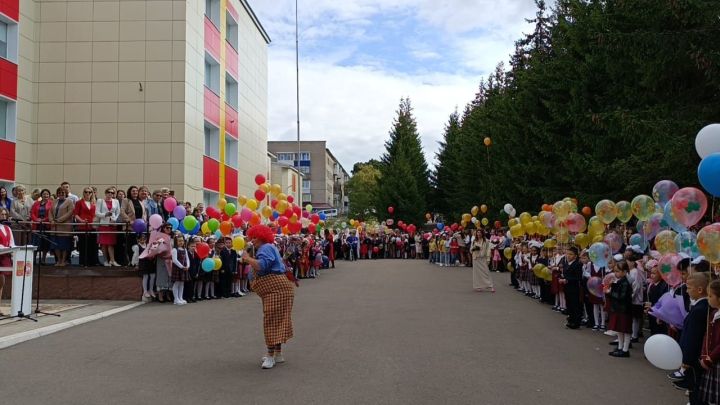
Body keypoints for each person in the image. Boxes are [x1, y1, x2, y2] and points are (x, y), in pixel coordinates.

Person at [242, 224, 295, 370]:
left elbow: (262, 266)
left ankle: (270, 356)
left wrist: (247, 258)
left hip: (276, 289)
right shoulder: (268, 247)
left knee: (271, 321)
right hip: (280, 289)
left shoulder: (265, 248)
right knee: (278, 320)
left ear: (260, 237)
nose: (251, 240)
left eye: (254, 237)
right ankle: (277, 354)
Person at [673, 272, 710, 401]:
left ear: (699, 289)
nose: (687, 291)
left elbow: (693, 337)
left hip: (693, 358)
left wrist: (686, 359)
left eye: (689, 287)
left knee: (695, 390)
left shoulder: (700, 309)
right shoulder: (703, 306)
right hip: (696, 356)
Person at [699, 279, 720, 405]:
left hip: (716, 360)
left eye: (710, 295)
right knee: (711, 399)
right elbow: (707, 336)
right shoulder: (713, 313)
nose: (708, 298)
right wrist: (704, 354)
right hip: (710, 359)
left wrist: (709, 358)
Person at [607, 260, 633, 357]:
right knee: (619, 329)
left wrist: (610, 292)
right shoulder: (618, 281)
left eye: (618, 271)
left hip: (624, 309)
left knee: (625, 330)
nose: (616, 273)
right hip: (618, 309)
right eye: (615, 271)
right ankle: (620, 347)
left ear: (625, 271)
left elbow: (621, 297)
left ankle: (625, 349)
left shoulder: (625, 283)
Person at [49, 187, 74, 267]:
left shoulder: (70, 202)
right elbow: (50, 211)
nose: (61, 194)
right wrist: (51, 220)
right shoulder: (54, 201)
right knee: (56, 245)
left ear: (66, 193)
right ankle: (58, 260)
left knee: (64, 245)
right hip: (55, 226)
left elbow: (70, 212)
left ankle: (63, 261)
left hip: (65, 226)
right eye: (59, 192)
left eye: (63, 192)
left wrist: (59, 220)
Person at [73, 187, 99, 267]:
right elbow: (76, 214)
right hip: (83, 226)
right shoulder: (79, 202)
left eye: (90, 192)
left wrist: (95, 223)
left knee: (93, 245)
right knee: (83, 245)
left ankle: (93, 262)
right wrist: (81, 221)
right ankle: (83, 262)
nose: (88, 193)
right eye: (86, 192)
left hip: (92, 226)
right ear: (83, 193)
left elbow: (96, 214)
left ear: (92, 193)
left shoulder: (94, 203)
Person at [95, 188, 121, 266]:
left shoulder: (116, 201)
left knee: (111, 243)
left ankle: (112, 260)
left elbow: (118, 212)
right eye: (109, 192)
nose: (110, 194)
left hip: (112, 224)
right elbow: (97, 213)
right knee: (103, 244)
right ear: (105, 193)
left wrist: (114, 219)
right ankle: (105, 260)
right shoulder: (100, 201)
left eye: (112, 193)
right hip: (103, 224)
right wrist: (105, 214)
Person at [560, 246, 583, 329]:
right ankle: (570, 320)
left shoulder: (578, 264)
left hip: (574, 288)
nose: (568, 256)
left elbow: (578, 278)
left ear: (575, 256)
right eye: (567, 254)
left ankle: (576, 322)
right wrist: (562, 278)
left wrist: (567, 280)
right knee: (569, 304)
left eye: (571, 254)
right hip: (567, 288)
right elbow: (565, 275)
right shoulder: (566, 264)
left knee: (575, 305)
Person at [30, 189, 52, 265]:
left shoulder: (51, 204)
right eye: (44, 194)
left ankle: (43, 260)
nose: (45, 195)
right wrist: (37, 219)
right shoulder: (36, 203)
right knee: (35, 243)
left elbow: (51, 215)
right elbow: (32, 213)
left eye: (47, 194)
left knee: (45, 243)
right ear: (41, 195)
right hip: (37, 225)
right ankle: (34, 259)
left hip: (46, 225)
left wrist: (43, 220)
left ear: (49, 195)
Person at [0, 208, 15, 315]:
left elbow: (12, 243)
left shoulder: (7, 228)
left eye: (5, 214)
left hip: (5, 257)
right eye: (2, 214)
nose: (4, 216)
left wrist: (13, 250)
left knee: (1, 283)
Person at [170, 234, 189, 305]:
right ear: (176, 242)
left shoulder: (185, 249)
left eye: (182, 241)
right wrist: (182, 266)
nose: (181, 242)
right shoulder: (175, 250)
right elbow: (174, 260)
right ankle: (176, 299)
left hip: (184, 268)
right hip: (178, 269)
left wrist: (187, 266)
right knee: (177, 283)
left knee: (182, 283)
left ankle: (180, 297)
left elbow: (187, 259)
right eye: (179, 241)